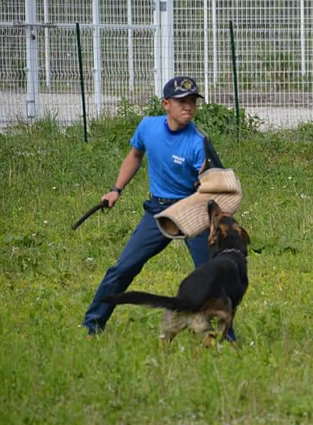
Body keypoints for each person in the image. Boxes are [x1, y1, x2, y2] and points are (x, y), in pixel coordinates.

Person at [82, 76, 236, 342]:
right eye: (181, 102)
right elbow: (135, 155)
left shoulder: (199, 142)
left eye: (192, 102)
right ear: (166, 104)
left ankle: (227, 337)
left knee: (212, 276)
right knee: (122, 269)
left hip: (193, 212)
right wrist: (116, 189)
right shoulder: (148, 127)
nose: (188, 107)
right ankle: (91, 326)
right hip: (157, 211)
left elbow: (217, 185)